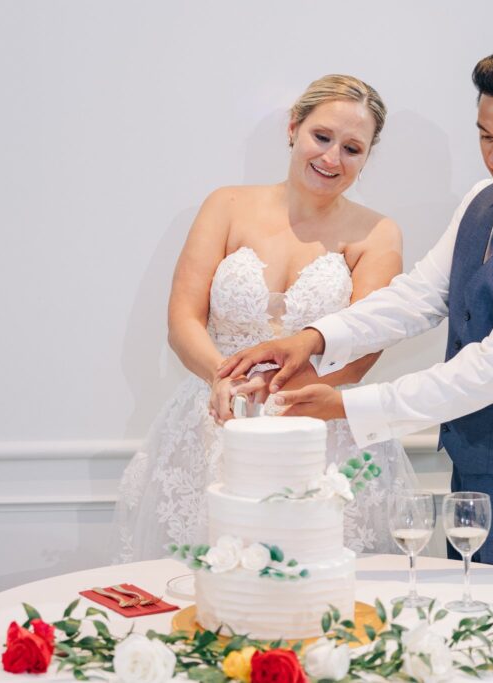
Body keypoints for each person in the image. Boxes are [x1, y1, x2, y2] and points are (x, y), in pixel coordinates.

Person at [219, 37, 493, 588]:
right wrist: (315, 338)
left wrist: (344, 404)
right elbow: (418, 295)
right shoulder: (483, 199)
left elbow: (487, 371)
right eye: (486, 137)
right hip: (473, 474)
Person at [111, 74, 418, 563]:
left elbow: (363, 348)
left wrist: (283, 394)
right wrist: (224, 378)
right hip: (215, 416)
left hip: (317, 424)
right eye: (322, 137)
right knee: (209, 582)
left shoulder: (377, 233)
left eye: (353, 149)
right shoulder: (227, 205)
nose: (332, 159)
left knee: (317, 583)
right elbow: (182, 320)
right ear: (294, 128)